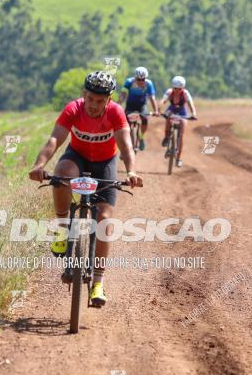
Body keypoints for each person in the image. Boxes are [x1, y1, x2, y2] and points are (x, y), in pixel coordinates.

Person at [29, 71, 143, 307]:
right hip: (77, 157)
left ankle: (98, 283)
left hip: (105, 165)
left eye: (100, 101)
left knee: (104, 220)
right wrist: (39, 166)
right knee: (61, 176)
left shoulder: (115, 113)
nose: (94, 105)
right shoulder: (73, 109)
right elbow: (54, 140)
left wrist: (131, 171)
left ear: (109, 100)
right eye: (90, 99)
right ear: (84, 95)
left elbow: (127, 146)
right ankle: (61, 229)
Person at [158, 76, 198, 168]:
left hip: (181, 111)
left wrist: (193, 113)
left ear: (182, 88)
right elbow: (163, 101)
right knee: (168, 117)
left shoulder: (185, 93)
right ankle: (167, 136)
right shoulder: (169, 92)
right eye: (175, 88)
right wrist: (159, 109)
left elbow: (190, 103)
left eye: (179, 89)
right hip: (171, 110)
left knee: (181, 133)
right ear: (173, 87)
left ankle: (178, 158)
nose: (177, 91)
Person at [118, 66, 159, 151]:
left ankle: (141, 136)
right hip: (130, 105)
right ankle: (126, 146)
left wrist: (156, 110)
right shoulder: (129, 82)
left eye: (142, 79)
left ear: (145, 78)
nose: (140, 81)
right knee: (126, 125)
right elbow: (123, 95)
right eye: (138, 79)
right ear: (135, 77)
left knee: (145, 119)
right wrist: (118, 105)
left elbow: (152, 98)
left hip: (142, 106)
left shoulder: (149, 84)